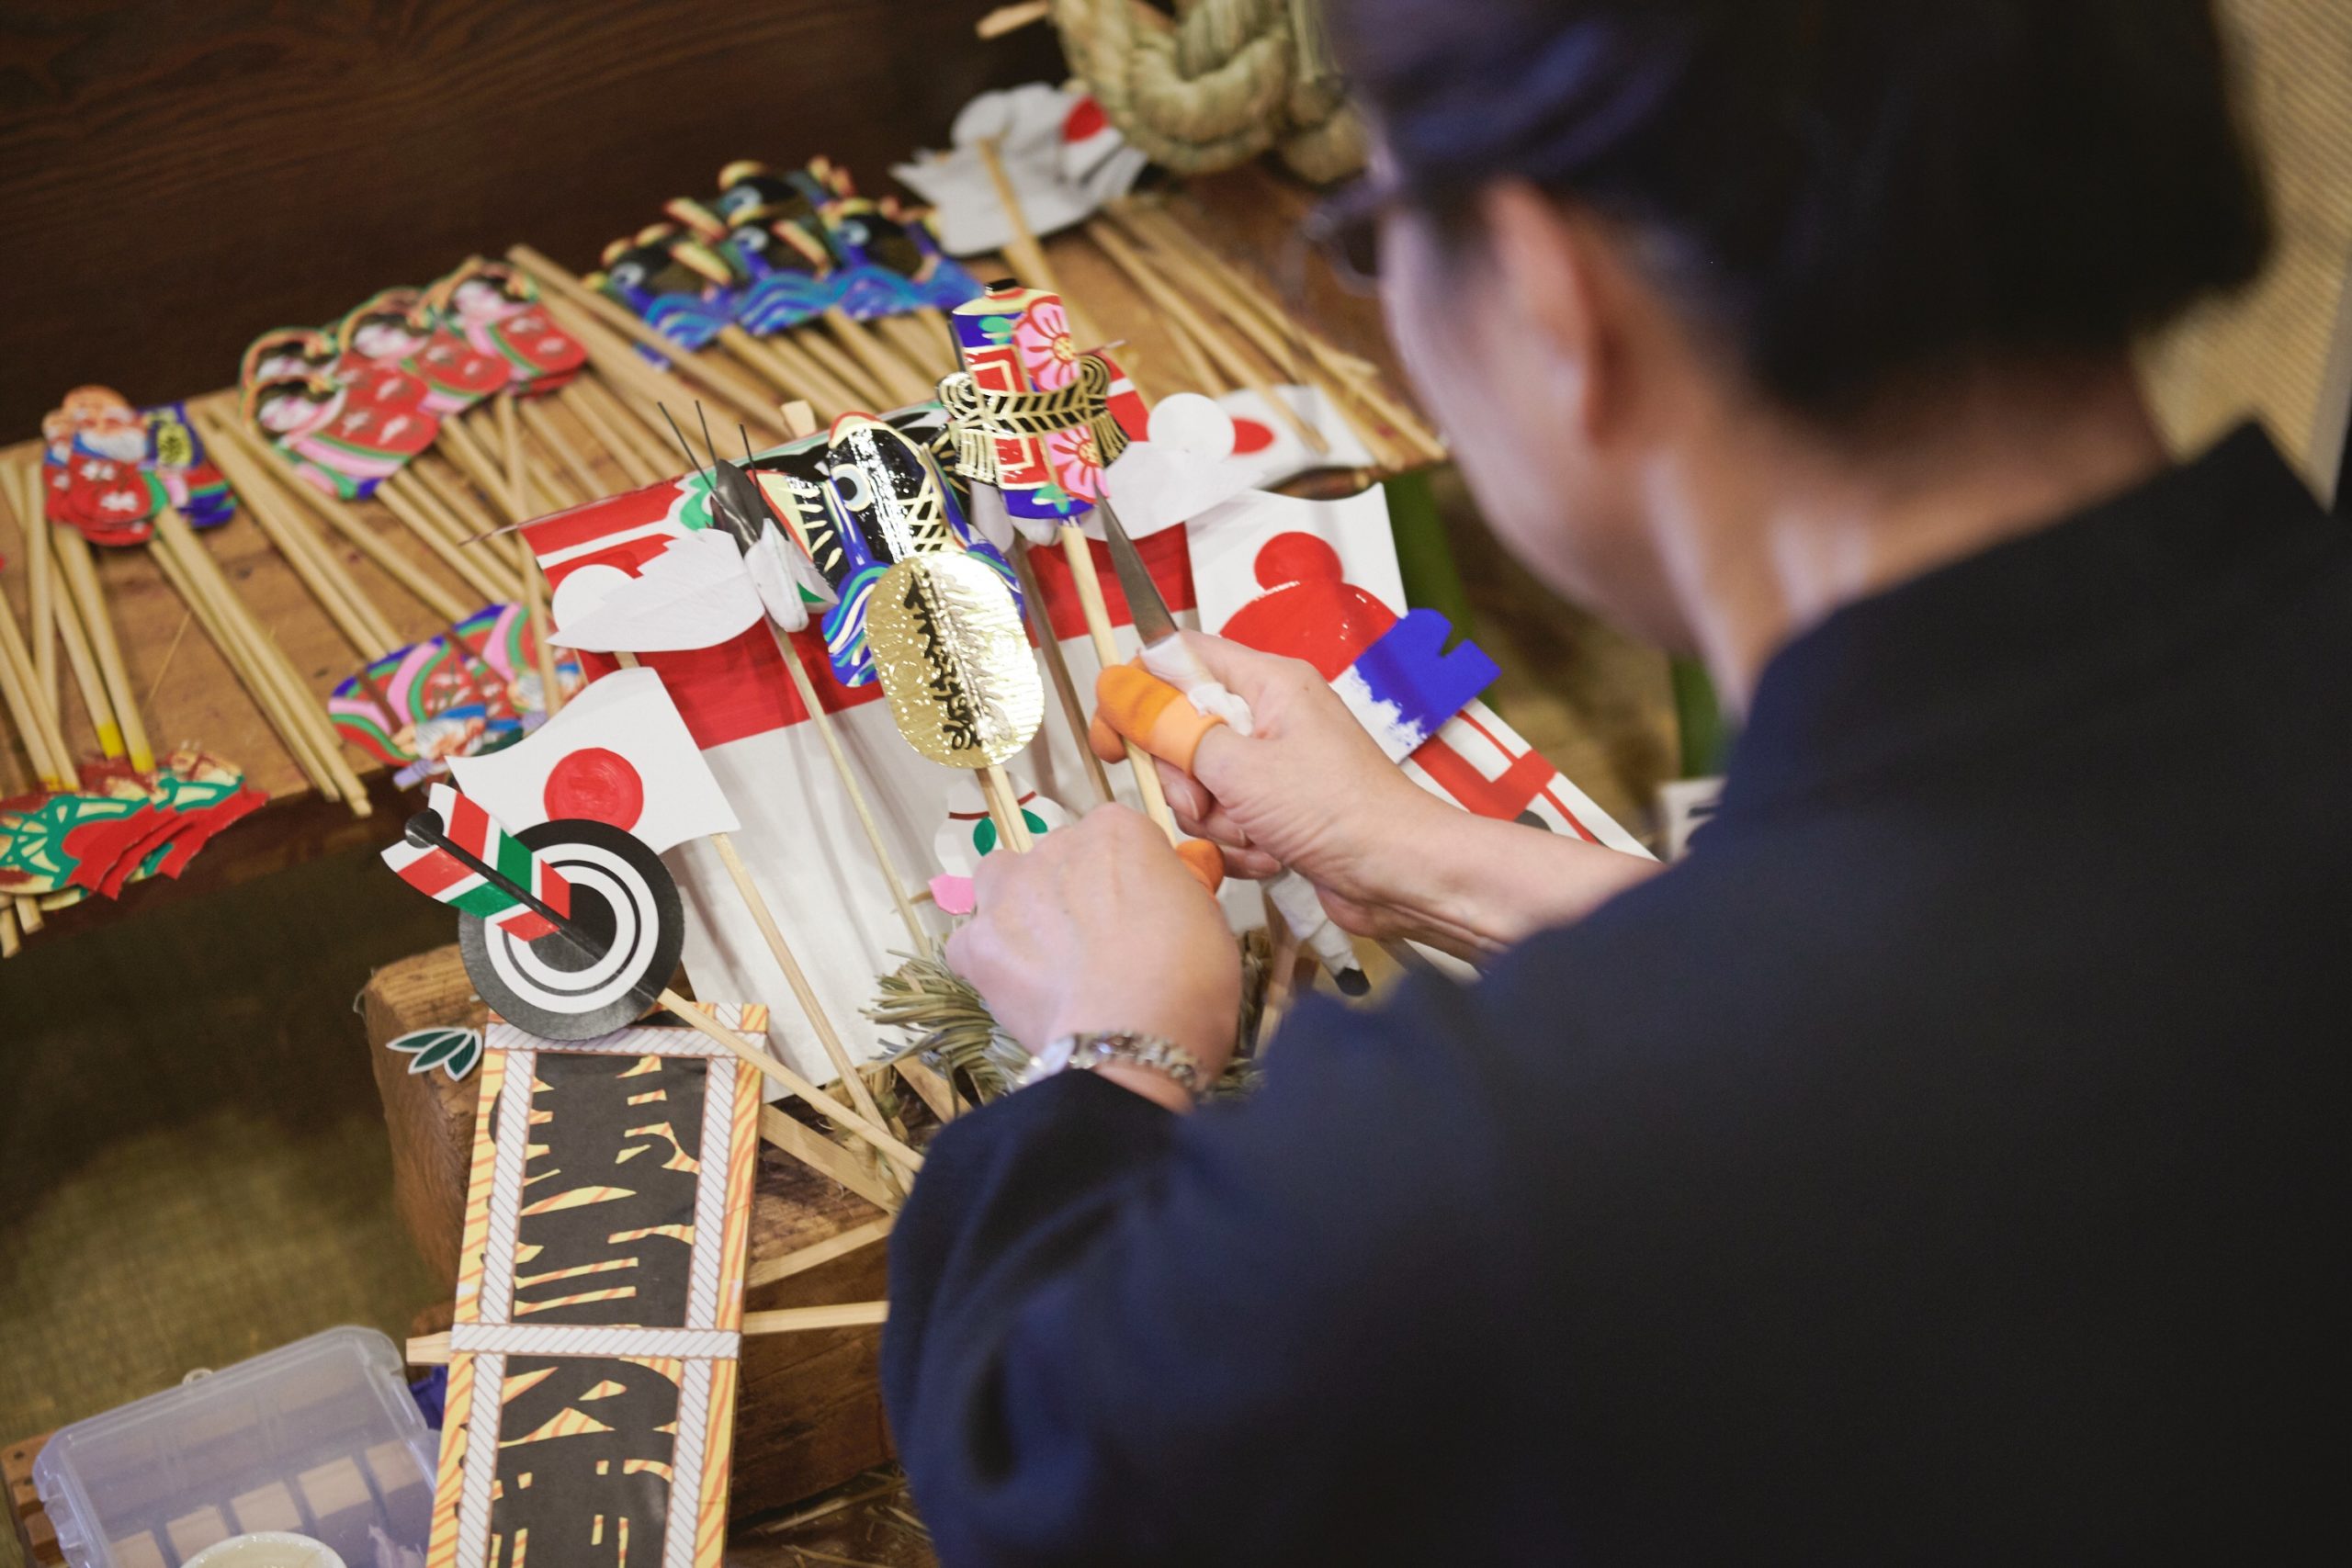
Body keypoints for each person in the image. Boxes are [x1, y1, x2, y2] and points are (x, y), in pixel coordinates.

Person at [883, 3, 2346, 1561]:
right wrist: (1427, 853)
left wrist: (1108, 1050)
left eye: (1371, 235)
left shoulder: (1494, 1166)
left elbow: (1045, 1471)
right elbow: (1945, 959)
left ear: (1545, 289)